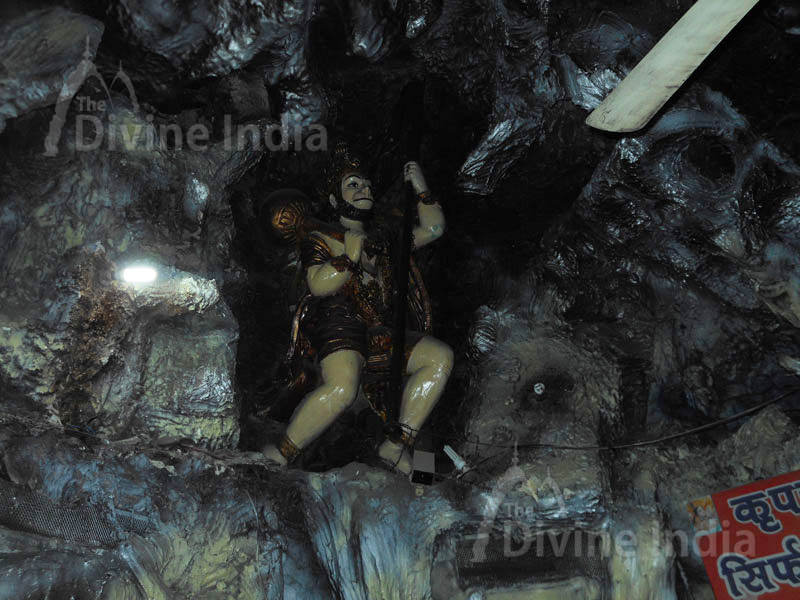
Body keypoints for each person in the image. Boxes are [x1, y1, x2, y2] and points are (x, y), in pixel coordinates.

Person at [261, 142, 453, 474]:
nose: (363, 187)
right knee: (343, 387)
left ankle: (396, 446)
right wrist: (348, 257)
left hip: (379, 330)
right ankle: (279, 455)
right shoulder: (322, 237)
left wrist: (421, 187)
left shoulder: (384, 242)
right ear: (336, 200)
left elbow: (433, 229)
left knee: (440, 358)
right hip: (339, 325)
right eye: (353, 184)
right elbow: (319, 284)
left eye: (365, 183)